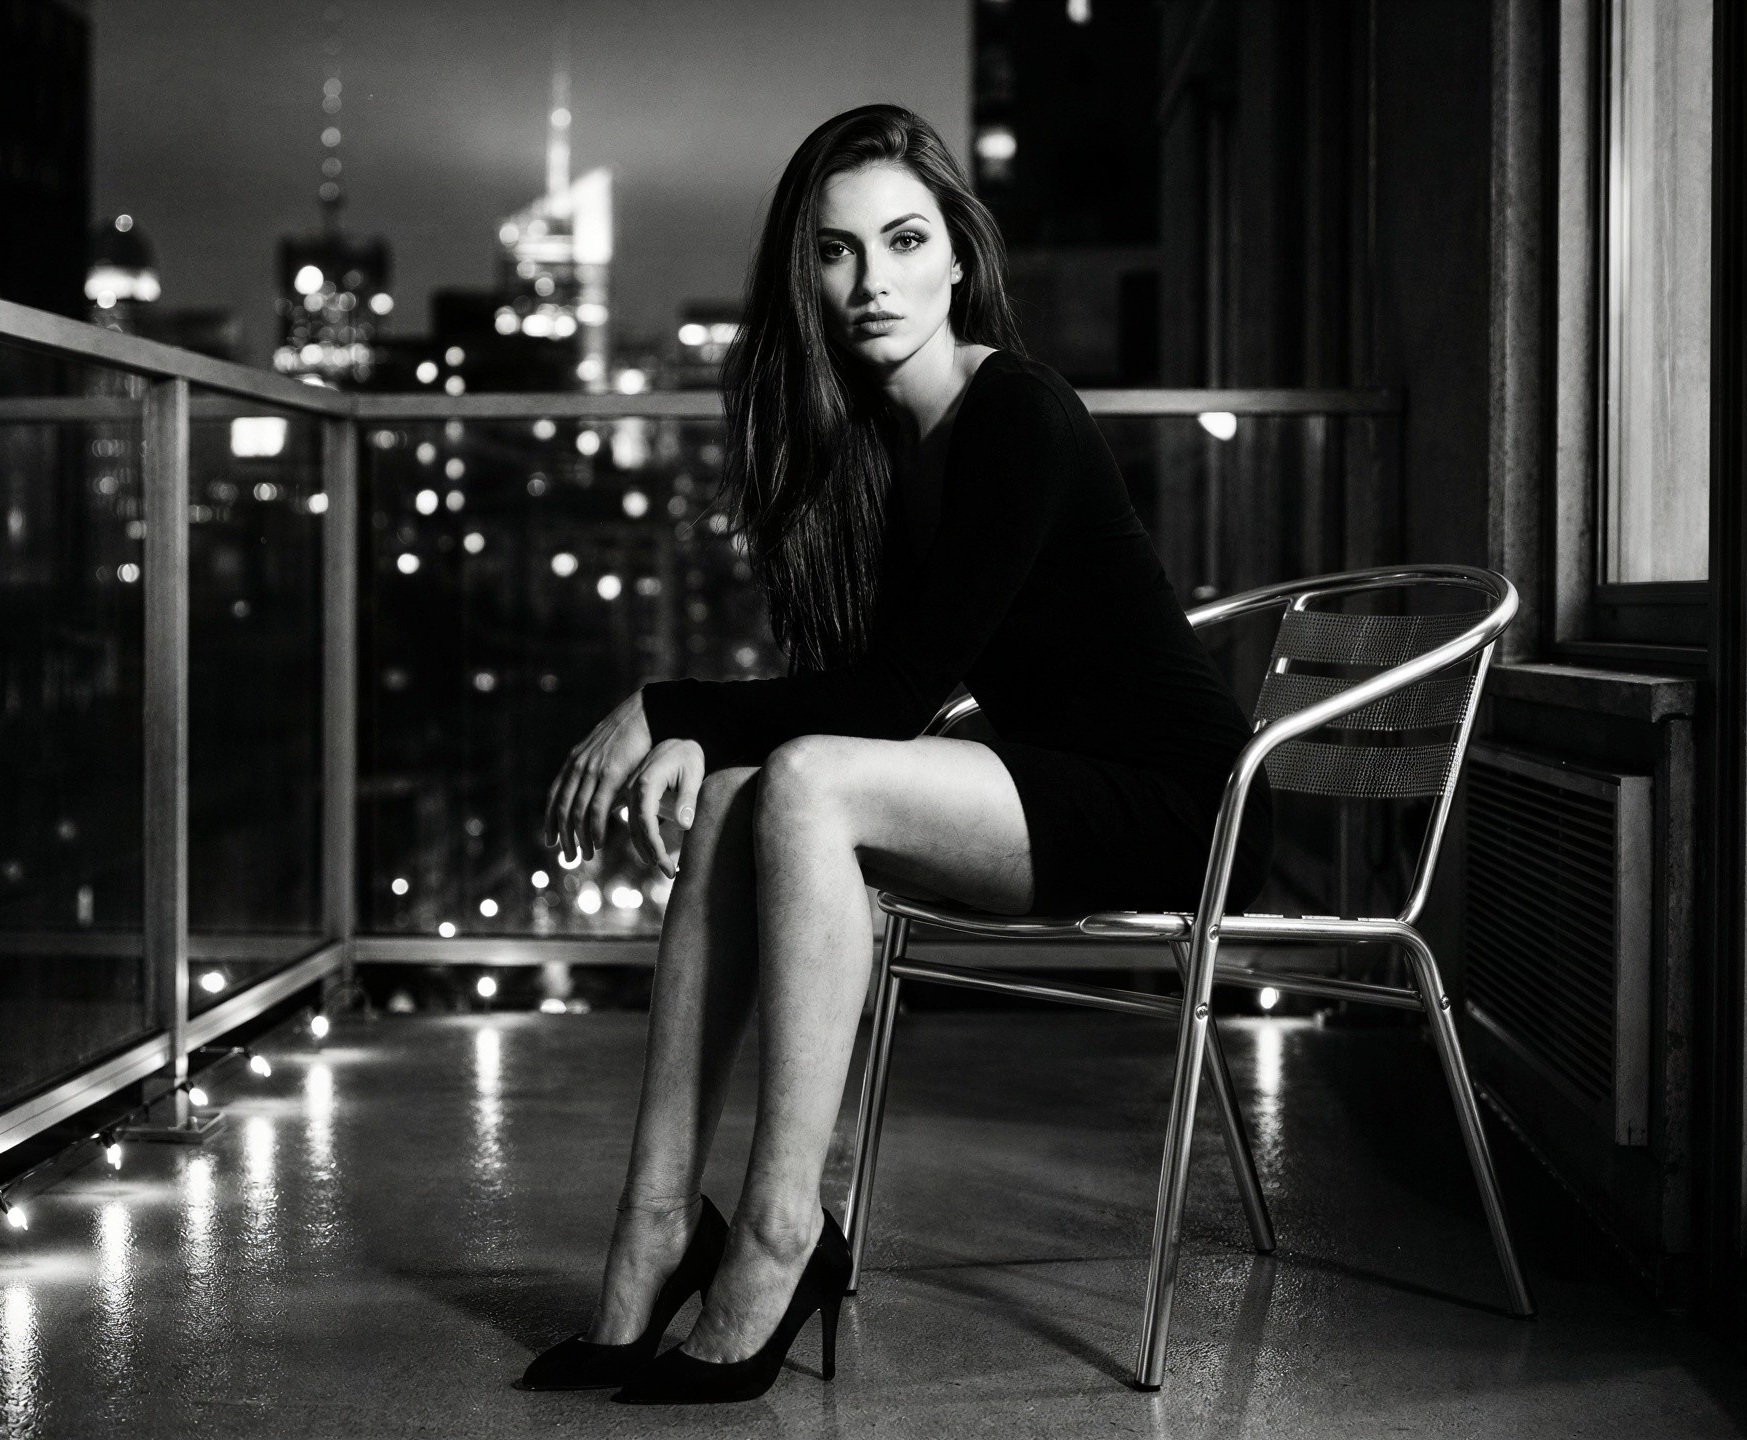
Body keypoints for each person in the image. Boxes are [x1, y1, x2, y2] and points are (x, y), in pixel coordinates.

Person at [520, 103, 1272, 1406]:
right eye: (836, 253)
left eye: (904, 240)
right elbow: (869, 694)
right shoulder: (879, 448)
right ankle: (653, 1228)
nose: (872, 285)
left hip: (1168, 802)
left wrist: (668, 708)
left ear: (960, 257)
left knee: (798, 774)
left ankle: (777, 1233)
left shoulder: (1016, 412)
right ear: (801, 274)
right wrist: (718, 744)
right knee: (747, 794)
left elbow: (893, 697)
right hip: (1039, 778)